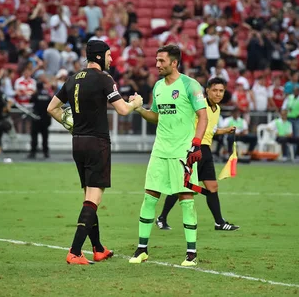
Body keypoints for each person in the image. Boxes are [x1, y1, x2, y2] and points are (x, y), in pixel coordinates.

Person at [46, 40, 143, 265]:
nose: (112, 59)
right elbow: (122, 110)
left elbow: (51, 108)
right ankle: (75, 251)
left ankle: (98, 248)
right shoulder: (104, 79)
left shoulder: (72, 79)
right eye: (109, 55)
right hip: (97, 143)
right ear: (99, 56)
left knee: (89, 196)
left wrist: (68, 122)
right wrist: (136, 103)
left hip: (77, 143)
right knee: (93, 199)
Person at [127, 44, 208, 267]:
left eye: (162, 61)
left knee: (186, 200)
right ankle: (142, 249)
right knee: (150, 196)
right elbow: (156, 116)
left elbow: (203, 117)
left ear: (174, 62)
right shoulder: (158, 86)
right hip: (160, 150)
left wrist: (196, 144)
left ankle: (191, 253)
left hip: (183, 151)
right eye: (156, 60)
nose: (157, 64)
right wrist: (139, 109)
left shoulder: (191, 85)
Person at [155, 77, 240, 233]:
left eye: (221, 91)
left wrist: (225, 130)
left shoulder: (218, 109)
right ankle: (162, 217)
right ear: (207, 91)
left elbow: (210, 130)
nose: (218, 94)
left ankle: (219, 222)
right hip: (193, 149)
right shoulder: (198, 106)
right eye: (215, 90)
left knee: (212, 186)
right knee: (182, 186)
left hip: (206, 150)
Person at [28, 80, 52, 159]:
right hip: (45, 119)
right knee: (45, 137)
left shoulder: (35, 94)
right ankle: (46, 152)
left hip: (36, 118)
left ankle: (33, 152)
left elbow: (30, 100)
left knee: (34, 137)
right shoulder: (48, 95)